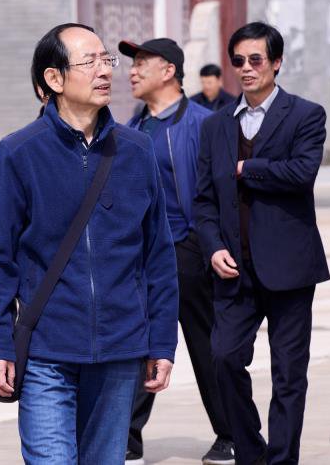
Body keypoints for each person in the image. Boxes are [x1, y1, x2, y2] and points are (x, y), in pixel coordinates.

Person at [0, 23, 179, 464]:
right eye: (90, 62)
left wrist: (162, 341)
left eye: (107, 60)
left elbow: (158, 255)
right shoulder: (19, 152)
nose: (105, 71)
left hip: (121, 350)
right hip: (47, 351)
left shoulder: (136, 149)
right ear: (54, 78)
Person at [193, 21, 330, 465]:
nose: (246, 68)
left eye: (256, 59)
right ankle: (250, 454)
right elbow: (203, 199)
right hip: (234, 269)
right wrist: (212, 246)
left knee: (288, 374)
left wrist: (247, 168)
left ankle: (282, 459)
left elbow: (302, 173)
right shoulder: (214, 126)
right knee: (224, 359)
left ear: (276, 63)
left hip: (290, 268)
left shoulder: (306, 115)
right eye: (239, 60)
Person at [121, 38, 234, 465]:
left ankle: (230, 433)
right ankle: (128, 437)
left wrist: (211, 245)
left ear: (168, 71)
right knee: (137, 343)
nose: (132, 71)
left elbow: (221, 192)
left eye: (141, 63)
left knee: (206, 344)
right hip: (140, 253)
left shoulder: (205, 124)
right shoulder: (131, 128)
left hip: (188, 248)